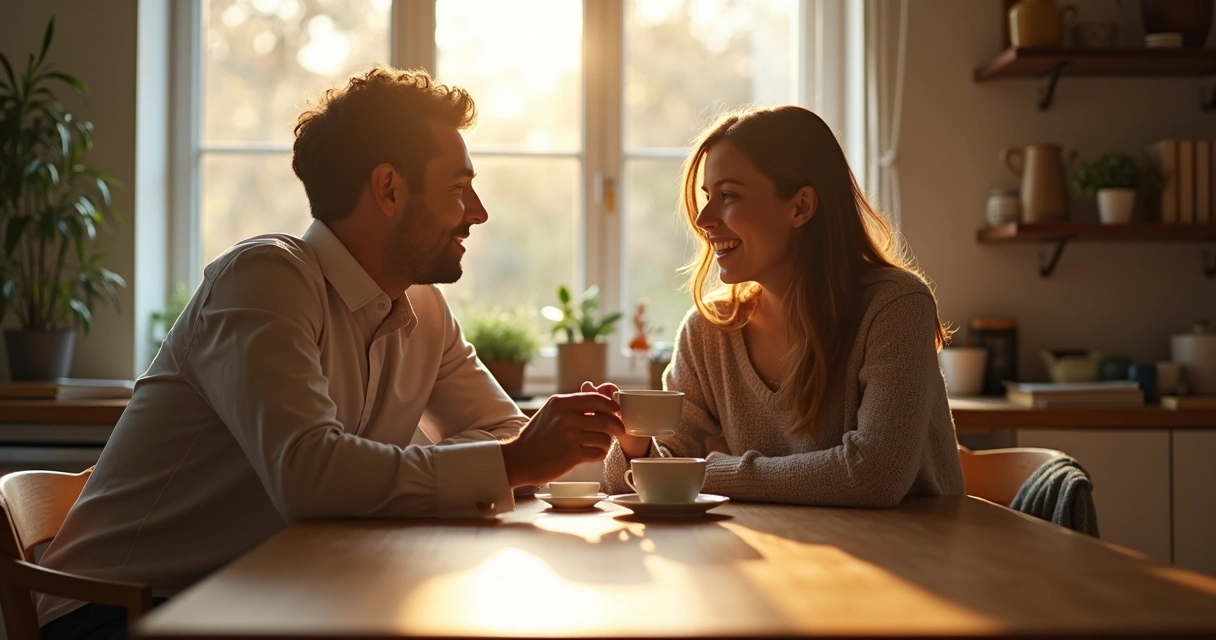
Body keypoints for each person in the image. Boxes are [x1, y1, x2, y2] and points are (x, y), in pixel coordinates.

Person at [37, 66, 624, 640]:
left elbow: (499, 428)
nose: (477, 211)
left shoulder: (423, 307)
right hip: (122, 613)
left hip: (265, 596)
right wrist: (507, 463)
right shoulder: (264, 278)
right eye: (457, 188)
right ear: (389, 188)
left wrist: (529, 451)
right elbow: (310, 475)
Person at [603, 106, 963, 507]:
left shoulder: (896, 307)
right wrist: (636, 447)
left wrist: (706, 470)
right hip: (784, 556)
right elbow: (632, 480)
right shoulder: (708, 331)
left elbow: (874, 474)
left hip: (914, 560)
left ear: (800, 207)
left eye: (728, 196)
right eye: (707, 197)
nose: (703, 219)